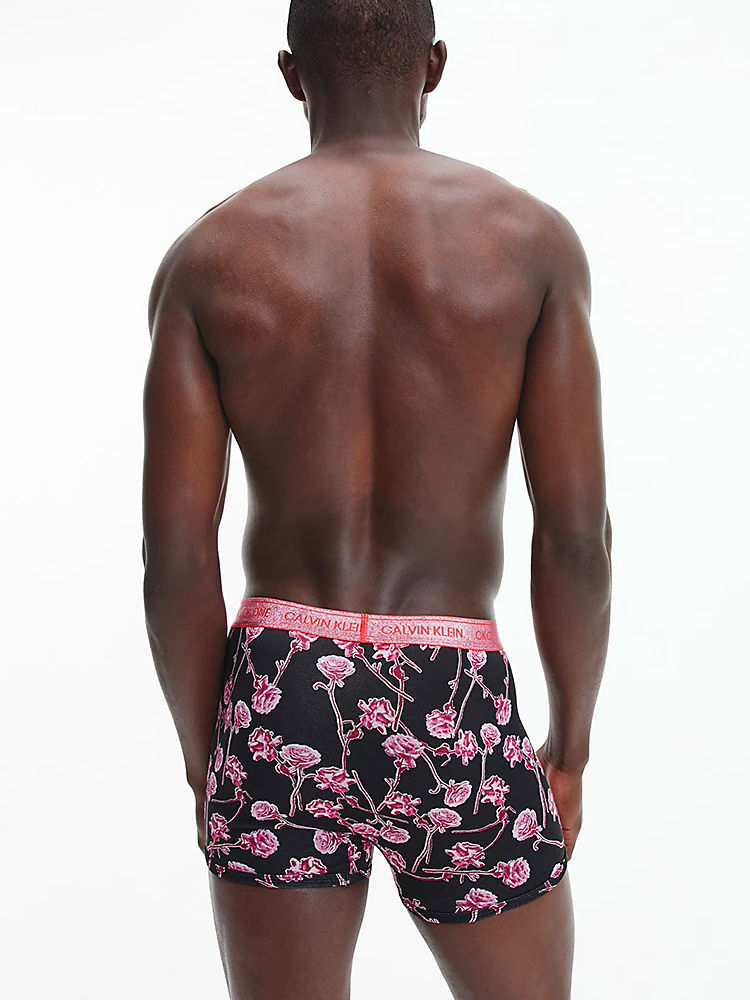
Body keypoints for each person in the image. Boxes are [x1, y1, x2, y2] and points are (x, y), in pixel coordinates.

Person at [142, 2, 612, 997]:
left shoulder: (209, 259)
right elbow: (575, 537)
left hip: (279, 688)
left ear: (292, 74)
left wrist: (209, 757)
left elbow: (175, 554)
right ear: (433, 66)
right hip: (455, 690)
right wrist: (570, 745)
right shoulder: (529, 243)